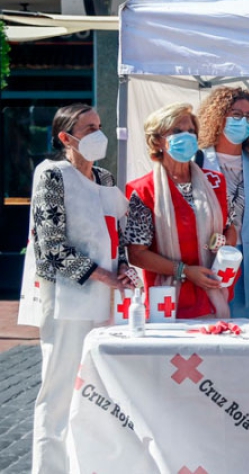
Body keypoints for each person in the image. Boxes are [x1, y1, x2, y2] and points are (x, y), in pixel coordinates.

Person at [21, 104, 136, 473]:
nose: (98, 134)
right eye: (89, 128)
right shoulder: (52, 175)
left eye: (100, 126)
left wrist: (123, 267)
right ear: (65, 137)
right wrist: (104, 274)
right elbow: (50, 247)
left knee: (96, 392)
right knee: (57, 393)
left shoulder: (103, 178)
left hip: (105, 301)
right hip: (68, 300)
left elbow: (117, 231)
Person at [124, 103, 234, 319]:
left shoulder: (216, 182)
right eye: (177, 131)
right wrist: (184, 271)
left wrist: (226, 248)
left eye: (191, 131)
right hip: (167, 302)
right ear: (157, 141)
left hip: (212, 298)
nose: (187, 136)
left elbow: (230, 227)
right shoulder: (142, 191)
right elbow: (137, 254)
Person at [196, 87, 249, 318]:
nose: (243, 120)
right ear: (218, 116)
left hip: (244, 255)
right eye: (235, 114)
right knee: (207, 317)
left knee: (240, 318)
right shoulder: (198, 159)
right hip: (206, 253)